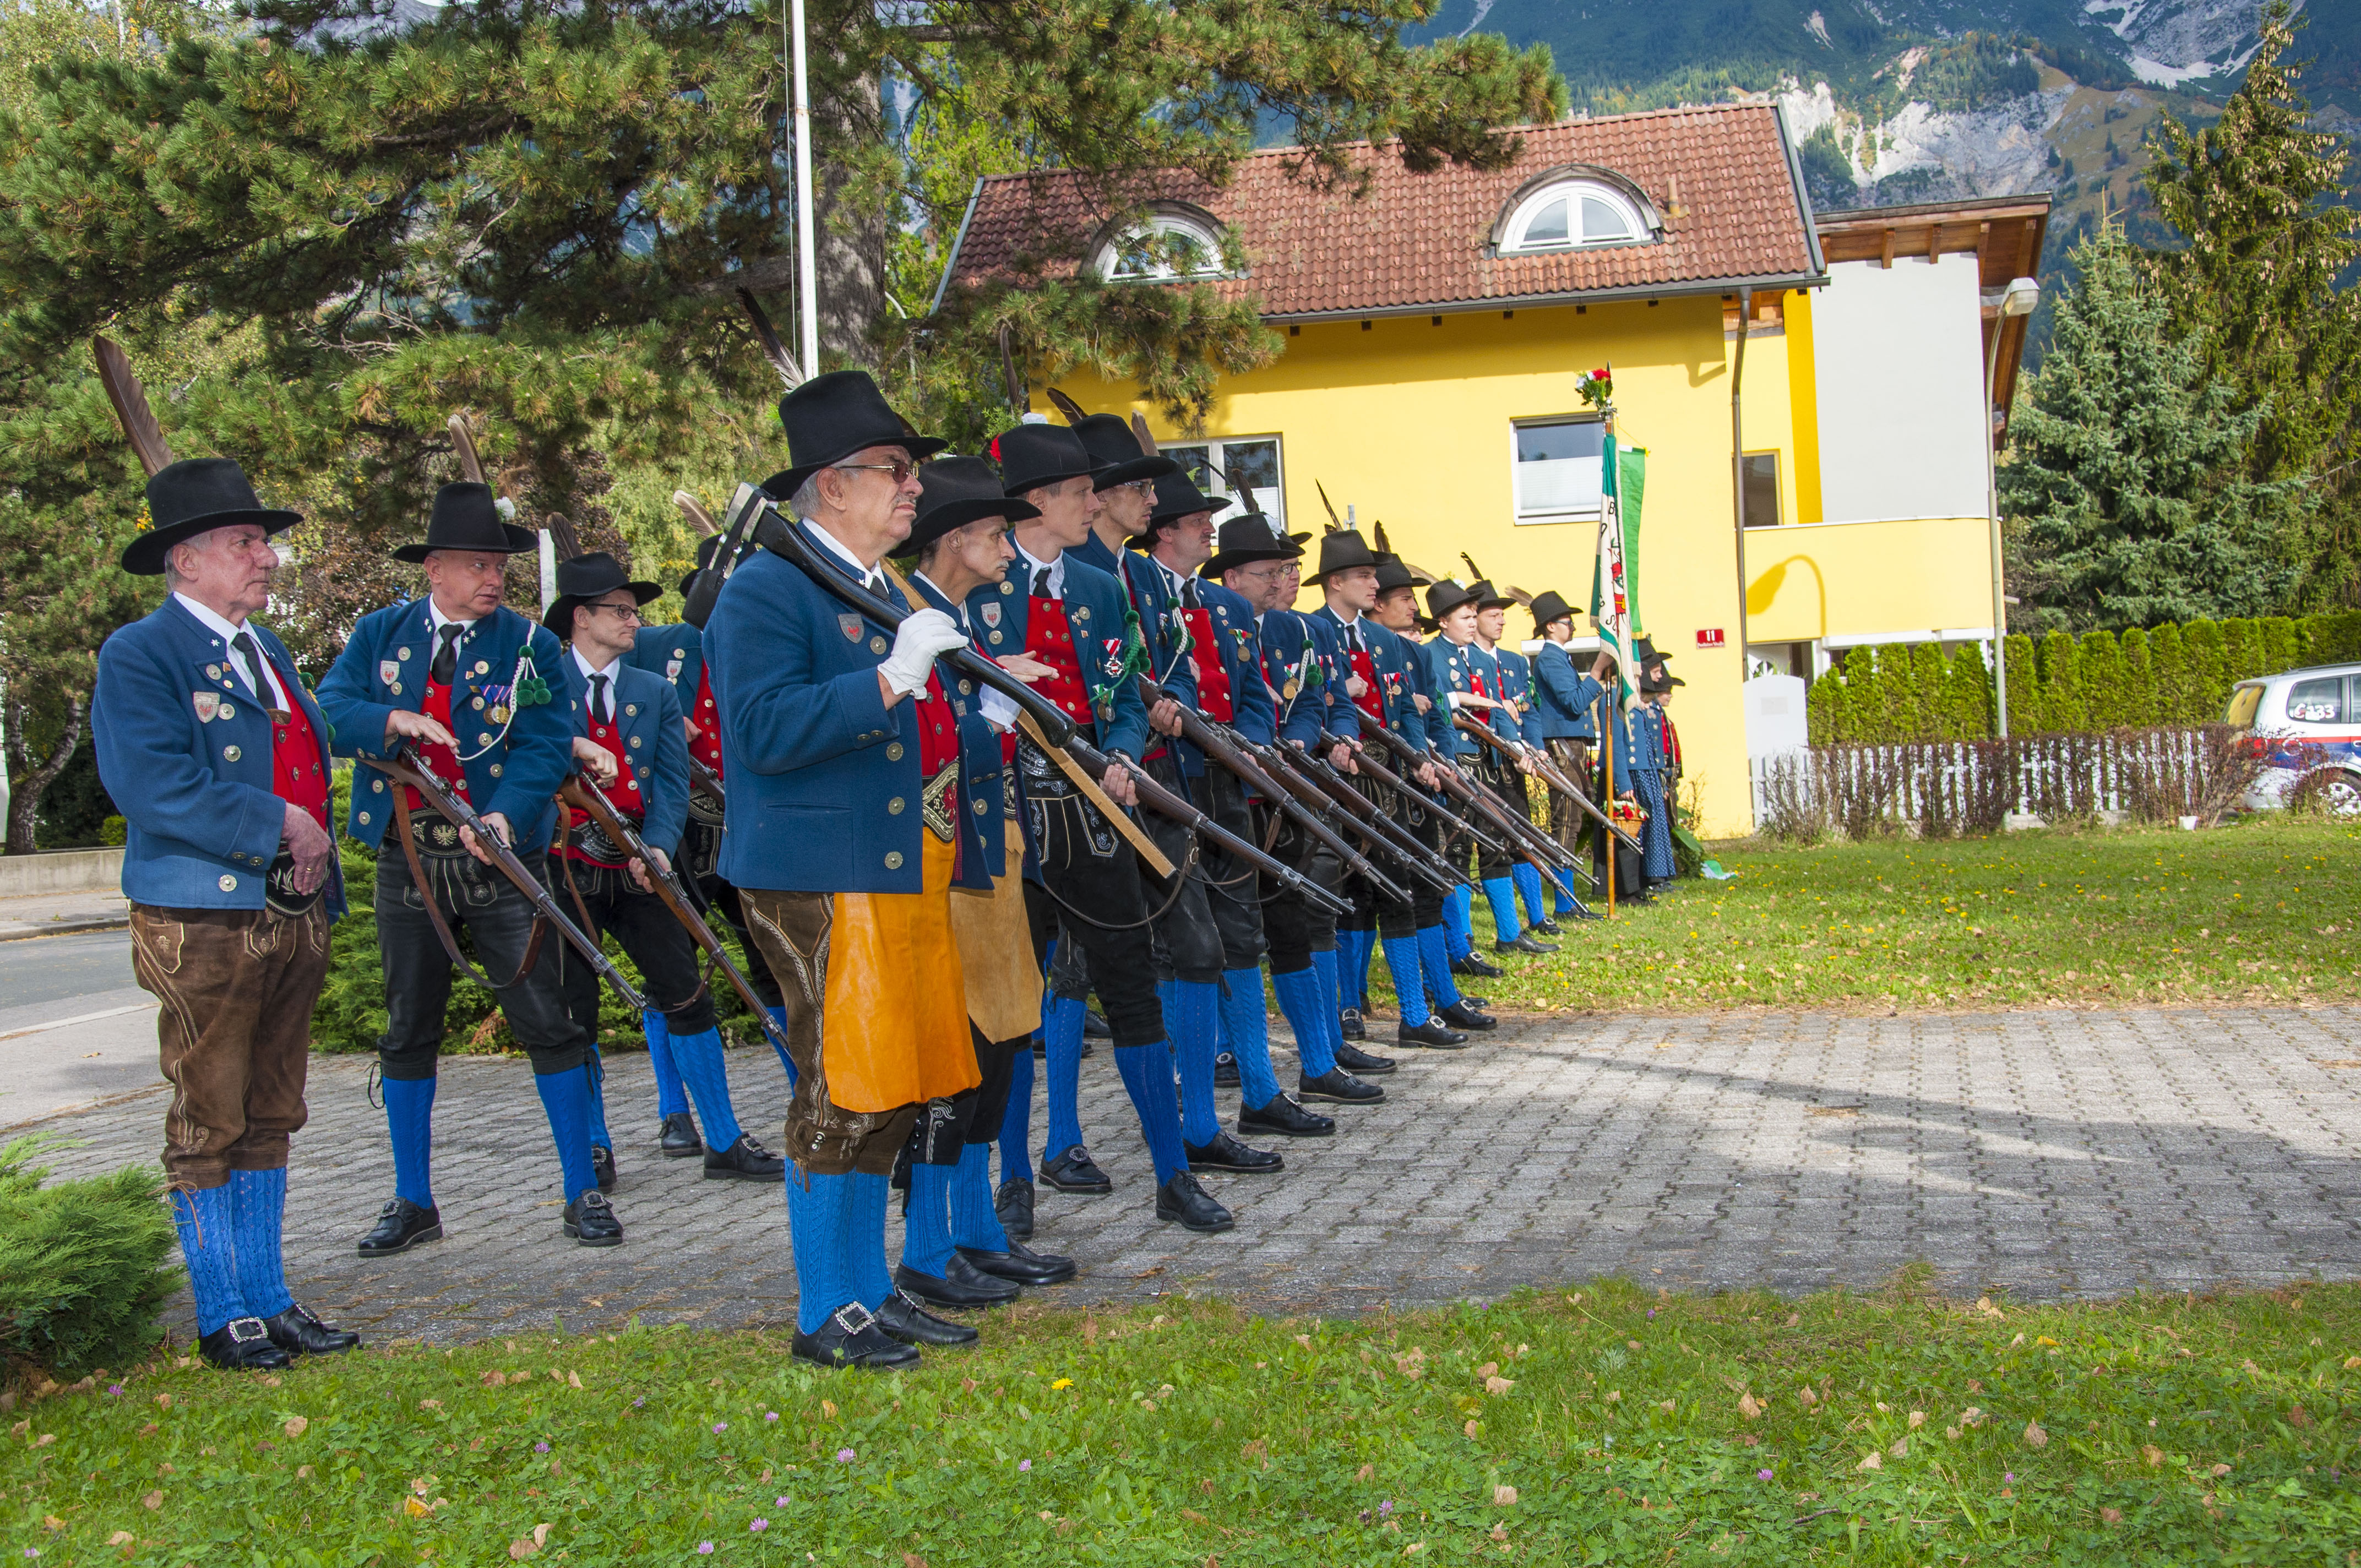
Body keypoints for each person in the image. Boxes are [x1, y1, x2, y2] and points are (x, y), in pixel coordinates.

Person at [708, 369, 995, 1368]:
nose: (914, 489)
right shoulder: (767, 586)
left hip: (897, 866)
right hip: (817, 868)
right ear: (832, 484)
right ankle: (826, 1304)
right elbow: (758, 730)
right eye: (897, 471)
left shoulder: (880, 586)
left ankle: (872, 1289)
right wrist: (888, 675)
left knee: (895, 1079)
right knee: (841, 1083)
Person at [95, 456, 358, 1370]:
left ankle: (269, 1295)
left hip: (288, 909)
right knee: (209, 1110)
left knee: (271, 1110)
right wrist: (274, 822)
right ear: (187, 559)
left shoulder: (270, 653)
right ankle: (223, 1308)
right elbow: (152, 782)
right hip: (201, 916)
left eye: (264, 543)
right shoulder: (142, 653)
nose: (267, 558)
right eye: (246, 542)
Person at [318, 482, 621, 1255]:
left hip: (497, 856)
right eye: (479, 564)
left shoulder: (528, 645)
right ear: (435, 570)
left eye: (500, 565)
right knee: (407, 1029)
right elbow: (330, 706)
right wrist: (388, 719)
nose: (495, 578)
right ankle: (413, 1201)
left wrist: (507, 816)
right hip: (409, 858)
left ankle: (582, 1192)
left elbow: (548, 743)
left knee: (547, 1023)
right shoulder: (380, 634)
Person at [967, 421, 1233, 1234]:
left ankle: (1171, 1174)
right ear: (1039, 500)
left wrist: (1122, 753)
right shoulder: (972, 590)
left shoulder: (1098, 587)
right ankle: (1013, 1179)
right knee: (1012, 1006)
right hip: (1008, 823)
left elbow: (1119, 695)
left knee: (1130, 988)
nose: (1097, 502)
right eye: (1084, 490)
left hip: (1094, 814)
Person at [891, 455, 1079, 1313]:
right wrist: (996, 721)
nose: (1009, 546)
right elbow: (917, 746)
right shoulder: (909, 618)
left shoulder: (955, 619)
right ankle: (929, 1246)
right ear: (955, 539)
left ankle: (973, 1232)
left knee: (998, 1048)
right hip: (946, 864)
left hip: (989, 855)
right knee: (956, 1057)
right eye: (997, 533)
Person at [544, 551, 783, 1189]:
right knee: (576, 1010)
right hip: (564, 865)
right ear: (580, 618)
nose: (633, 621)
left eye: (634, 610)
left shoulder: (652, 690)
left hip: (637, 864)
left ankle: (724, 1138)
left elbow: (672, 784)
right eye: (620, 610)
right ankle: (593, 1146)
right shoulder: (540, 686)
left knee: (687, 992)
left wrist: (655, 845)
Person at [1133, 478, 1341, 1151]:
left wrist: (1248, 741)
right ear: (1163, 531)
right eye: (1197, 522)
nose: (1208, 532)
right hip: (1163, 775)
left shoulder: (1222, 607)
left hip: (1225, 778)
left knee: (1241, 934)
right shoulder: (1131, 586)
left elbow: (1253, 691)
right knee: (1179, 945)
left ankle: (1258, 1089)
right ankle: (1182, 1102)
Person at [628, 535, 791, 1158]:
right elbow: (602, 698)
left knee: (774, 956)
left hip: (753, 821)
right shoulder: (655, 647)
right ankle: (676, 1110)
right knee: (672, 968)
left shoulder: (772, 644)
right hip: (682, 826)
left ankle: (803, 1083)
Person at [1308, 528, 1482, 1052]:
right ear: (1335, 582)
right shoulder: (1308, 631)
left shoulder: (1386, 642)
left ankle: (1413, 1012)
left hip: (1391, 786)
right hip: (1331, 778)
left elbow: (1407, 711)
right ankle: (1343, 1009)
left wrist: (1422, 758)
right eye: (1363, 575)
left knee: (1400, 893)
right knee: (1337, 899)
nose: (1374, 584)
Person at [1235, 528, 1386, 1102]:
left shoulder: (1300, 629)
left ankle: (1320, 1055)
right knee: (1226, 939)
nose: (1285, 580)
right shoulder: (1221, 622)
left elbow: (1322, 702)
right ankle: (1234, 1058)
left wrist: (1319, 739)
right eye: (1272, 571)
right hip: (1237, 790)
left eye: (1287, 570)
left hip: (1294, 785)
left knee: (1303, 919)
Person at [1421, 579, 1549, 962]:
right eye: (1466, 617)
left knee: (1497, 846)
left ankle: (1509, 933)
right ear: (1443, 622)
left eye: (1475, 616)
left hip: (1490, 762)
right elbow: (1442, 711)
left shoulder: (1477, 659)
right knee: (1458, 848)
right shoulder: (1431, 657)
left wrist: (1518, 749)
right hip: (1458, 761)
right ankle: (1463, 941)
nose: (1474, 623)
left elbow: (1501, 713)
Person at [1523, 590, 1607, 923]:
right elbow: (1574, 703)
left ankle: (1567, 899)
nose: (1571, 627)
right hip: (1561, 747)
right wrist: (1597, 672)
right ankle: (1563, 901)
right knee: (1565, 824)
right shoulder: (1550, 659)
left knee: (1571, 821)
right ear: (1549, 627)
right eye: (1566, 623)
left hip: (1569, 745)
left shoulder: (1560, 657)